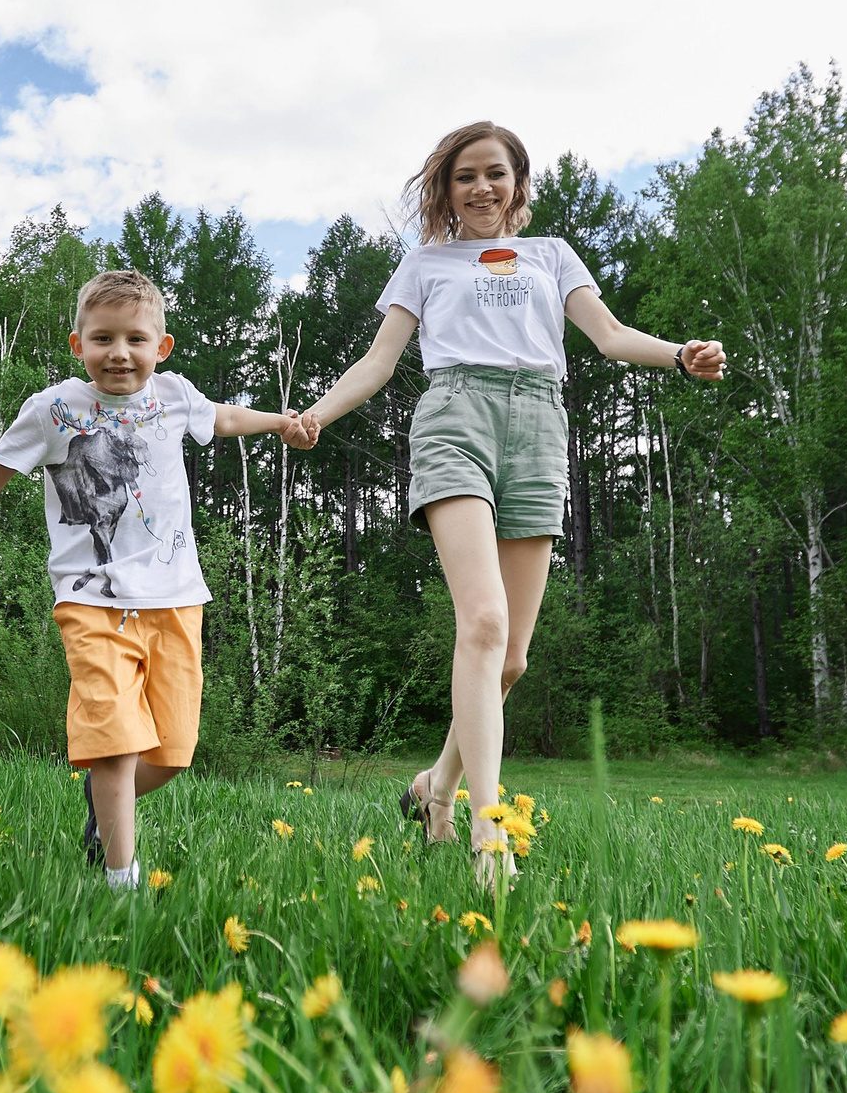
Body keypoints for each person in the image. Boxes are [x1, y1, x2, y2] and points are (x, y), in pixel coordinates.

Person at [293, 122, 724, 880]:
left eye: (496, 173)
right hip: (455, 416)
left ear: (518, 183)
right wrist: (316, 415)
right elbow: (378, 361)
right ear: (446, 189)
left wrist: (680, 355)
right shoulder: (425, 263)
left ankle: (435, 787)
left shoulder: (551, 255)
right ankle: (488, 837)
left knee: (512, 658)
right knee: (483, 623)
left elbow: (611, 334)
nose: (482, 187)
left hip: (538, 425)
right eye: (465, 176)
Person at [0, 269, 315, 887]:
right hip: (90, 600)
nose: (119, 353)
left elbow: (225, 418)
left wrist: (280, 422)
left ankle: (104, 809)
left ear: (162, 346)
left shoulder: (175, 394)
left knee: (172, 755)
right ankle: (120, 884)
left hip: (178, 600)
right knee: (117, 741)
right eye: (103, 339)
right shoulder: (53, 409)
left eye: (135, 339)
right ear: (79, 346)